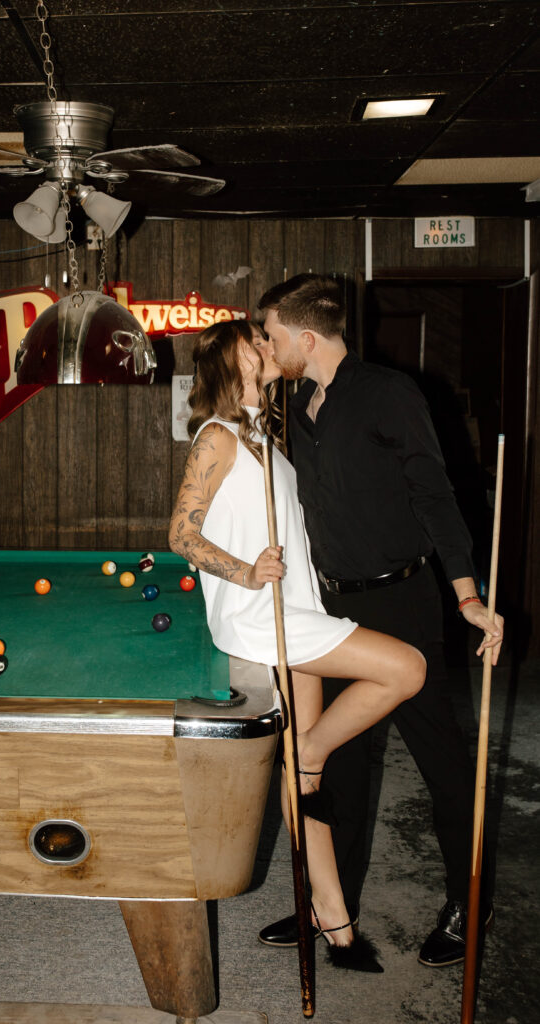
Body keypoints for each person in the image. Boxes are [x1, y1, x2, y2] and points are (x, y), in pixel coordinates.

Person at [256, 273, 503, 967]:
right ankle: (331, 907)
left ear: (306, 337)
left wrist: (466, 596)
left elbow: (434, 495)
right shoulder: (300, 401)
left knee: (443, 765)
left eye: (273, 337)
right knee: (336, 764)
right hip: (332, 607)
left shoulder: (389, 394)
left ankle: (468, 903)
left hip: (402, 601)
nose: (267, 348)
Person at [168, 318, 426, 970]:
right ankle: (308, 752)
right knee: (405, 668)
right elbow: (181, 535)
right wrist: (245, 571)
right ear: (231, 365)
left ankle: (333, 921)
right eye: (253, 344)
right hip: (260, 620)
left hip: (294, 612)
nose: (264, 347)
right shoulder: (217, 439)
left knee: (301, 780)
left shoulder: (267, 441)